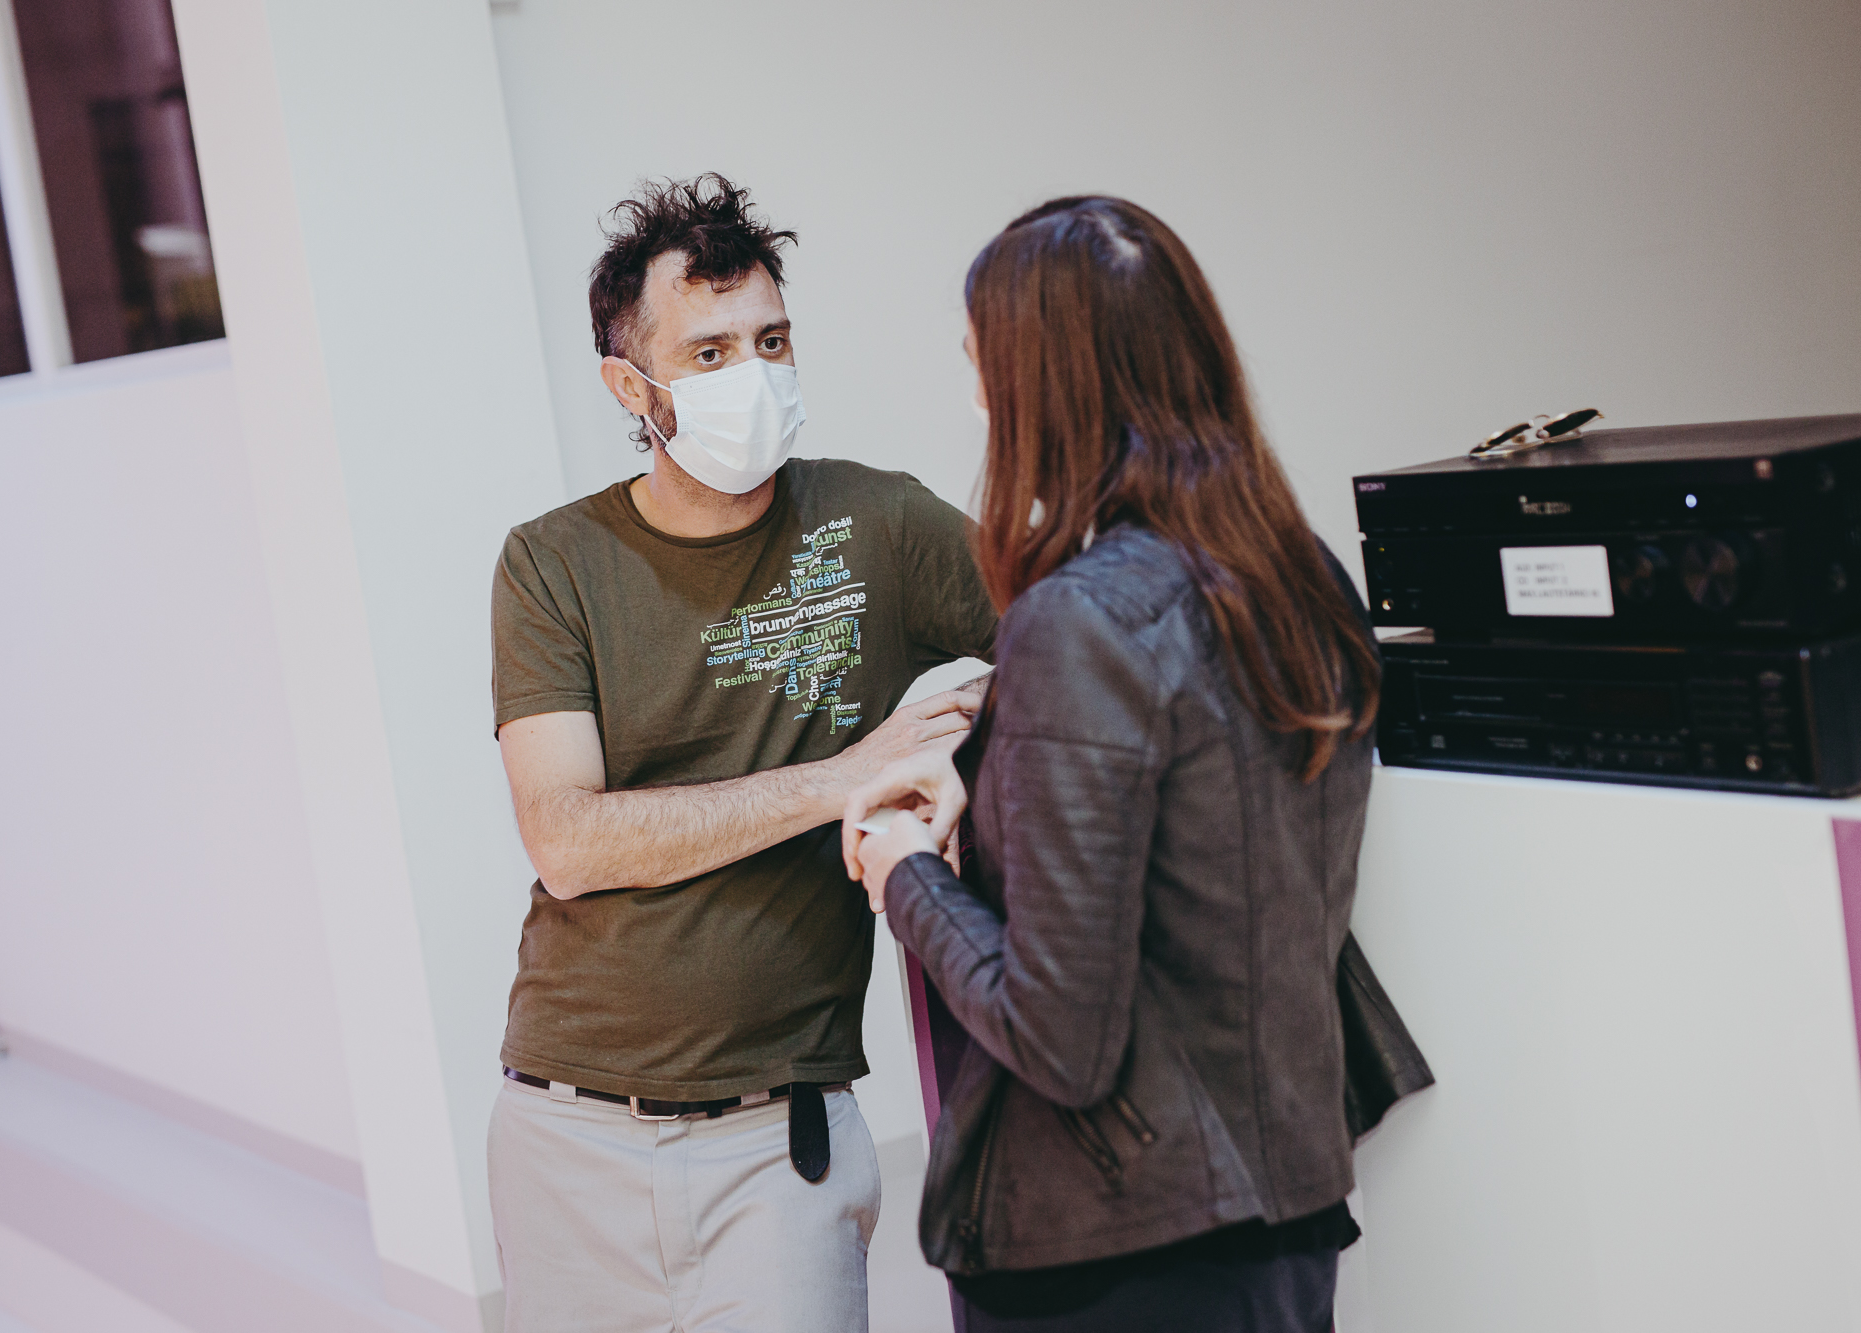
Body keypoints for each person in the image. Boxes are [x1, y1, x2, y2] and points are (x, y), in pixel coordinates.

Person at [842, 195, 1382, 1332]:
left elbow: (1059, 1036)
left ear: (1044, 384)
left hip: (1125, 1246)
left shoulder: (1076, 620)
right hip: (1285, 1207)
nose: (978, 398)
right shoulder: (1303, 579)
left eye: (982, 363)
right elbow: (1202, 825)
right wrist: (993, 777)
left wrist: (904, 872)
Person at [485, 173, 997, 1333]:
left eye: (770, 341)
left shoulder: (877, 524)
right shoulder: (552, 563)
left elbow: (1074, 642)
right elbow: (566, 838)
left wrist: (959, 731)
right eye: (708, 353)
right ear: (632, 387)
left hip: (783, 1136)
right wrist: (841, 777)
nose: (753, 374)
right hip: (567, 1125)